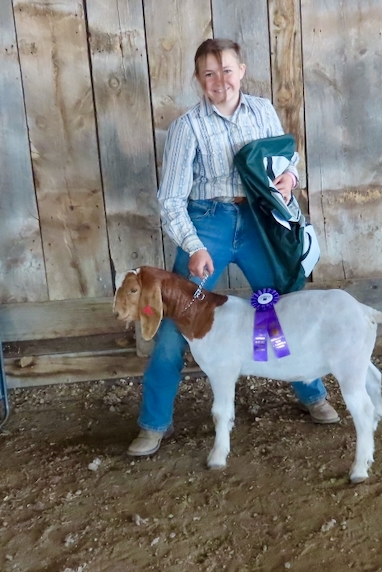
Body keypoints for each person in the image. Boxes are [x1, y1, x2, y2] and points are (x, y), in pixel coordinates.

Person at [127, 38, 339, 456]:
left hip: (259, 221)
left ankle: (311, 390)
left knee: (284, 305)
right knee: (174, 321)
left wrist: (290, 178)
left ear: (241, 71)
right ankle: (154, 422)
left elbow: (284, 158)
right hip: (208, 224)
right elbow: (171, 199)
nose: (219, 80)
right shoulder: (188, 127)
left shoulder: (262, 110)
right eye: (209, 73)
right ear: (198, 78)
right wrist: (194, 246)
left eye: (226, 70)